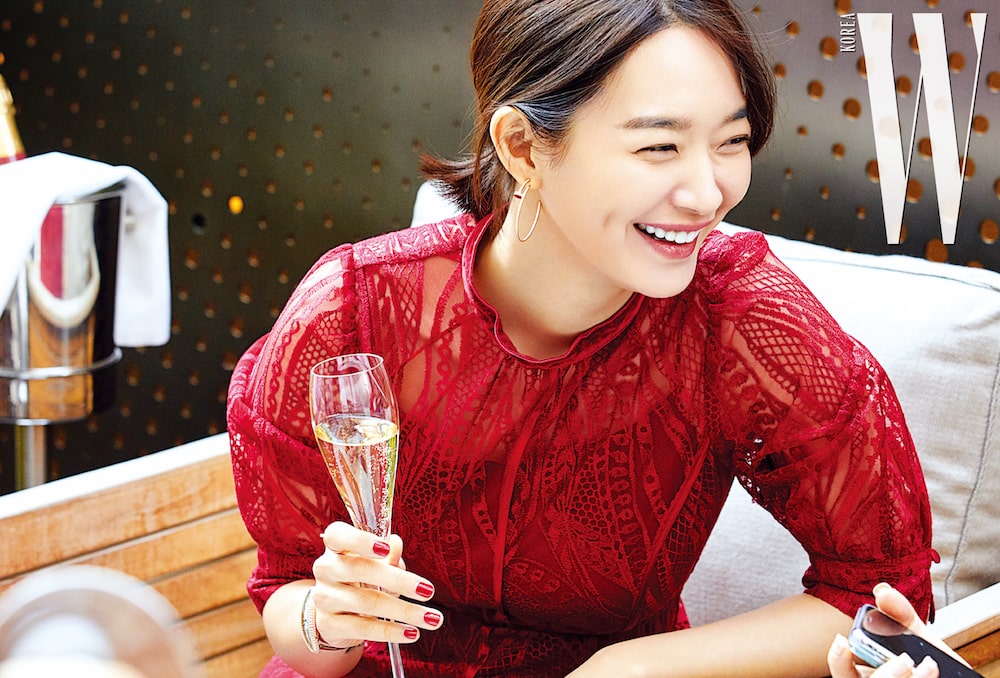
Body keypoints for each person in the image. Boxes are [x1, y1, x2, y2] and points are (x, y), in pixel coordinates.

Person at [226, 1, 936, 676]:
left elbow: (880, 598)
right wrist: (328, 618)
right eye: (659, 146)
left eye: (732, 141)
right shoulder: (353, 311)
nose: (707, 194)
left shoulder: (742, 321)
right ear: (523, 147)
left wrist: (629, 666)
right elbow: (289, 591)